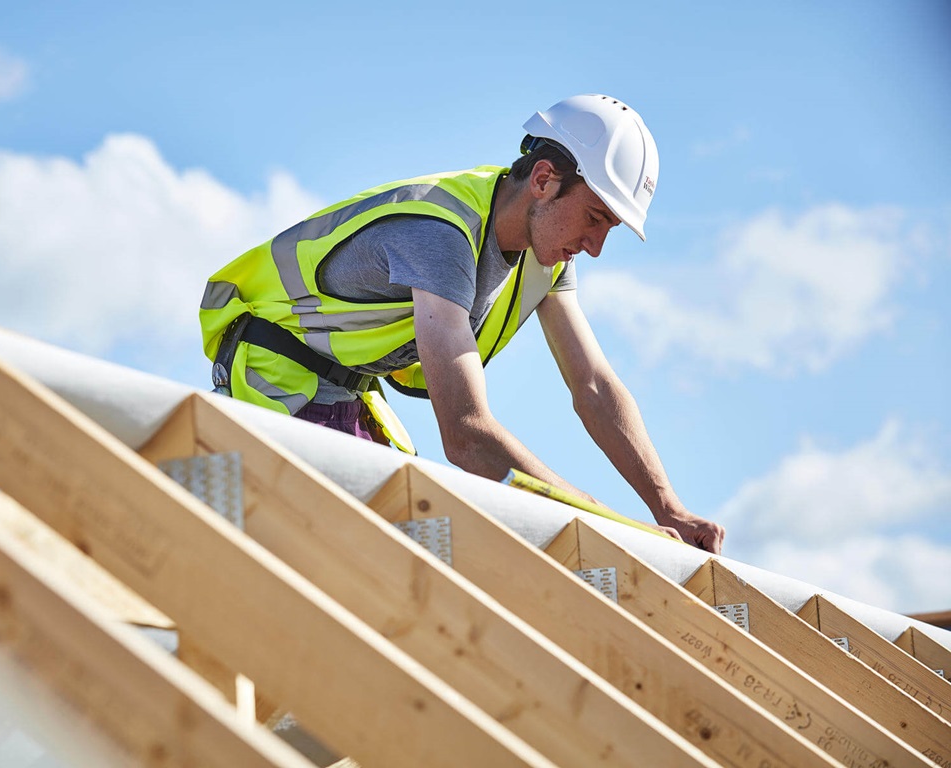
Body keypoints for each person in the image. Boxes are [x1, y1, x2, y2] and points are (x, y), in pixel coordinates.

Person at [199, 94, 725, 553]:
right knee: (356, 563)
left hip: (345, 387)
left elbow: (593, 386)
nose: (595, 246)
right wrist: (598, 519)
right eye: (594, 218)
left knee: (411, 545)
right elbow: (467, 434)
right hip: (276, 373)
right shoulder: (442, 235)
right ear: (543, 180)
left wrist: (667, 508)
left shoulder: (546, 260)